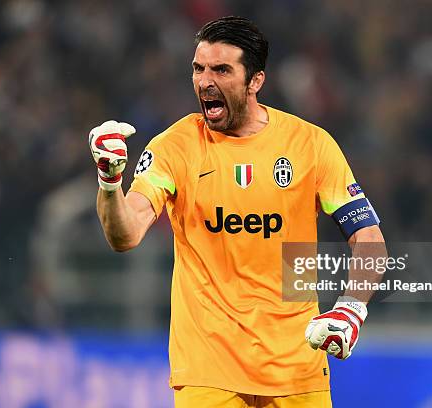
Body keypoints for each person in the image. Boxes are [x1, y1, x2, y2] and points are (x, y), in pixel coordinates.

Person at [89, 16, 385, 408]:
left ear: (255, 81)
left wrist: (351, 310)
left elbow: (369, 240)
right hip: (208, 369)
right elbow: (124, 235)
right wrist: (110, 182)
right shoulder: (175, 146)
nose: (205, 81)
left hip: (297, 367)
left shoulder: (310, 145)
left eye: (222, 70)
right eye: (198, 69)